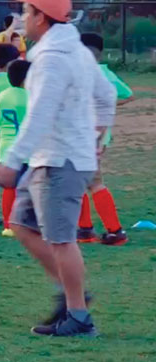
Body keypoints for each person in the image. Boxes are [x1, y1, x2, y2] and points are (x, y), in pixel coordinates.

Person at [0, 0, 114, 337]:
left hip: (60, 161)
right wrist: (97, 138)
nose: (22, 18)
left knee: (61, 240)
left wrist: (11, 161)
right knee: (21, 224)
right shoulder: (73, 50)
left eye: (28, 11)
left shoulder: (53, 59)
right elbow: (105, 95)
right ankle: (71, 294)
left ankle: (79, 316)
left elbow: (41, 114)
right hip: (55, 157)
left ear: (42, 18)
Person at [76, 32, 131, 246]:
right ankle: (87, 230)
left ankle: (110, 231)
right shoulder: (105, 74)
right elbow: (125, 95)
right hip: (98, 135)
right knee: (89, 180)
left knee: (89, 182)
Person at [0, 58, 30, 238]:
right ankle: (27, 223)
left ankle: (9, 225)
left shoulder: (2, 96)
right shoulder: (32, 97)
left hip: (7, 148)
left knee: (9, 188)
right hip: (27, 150)